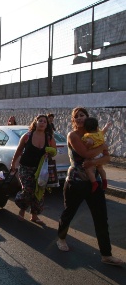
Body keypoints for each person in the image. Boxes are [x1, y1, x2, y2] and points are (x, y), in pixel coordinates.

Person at [57, 107, 123, 266]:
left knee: (101, 218)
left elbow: (106, 158)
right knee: (69, 212)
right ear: (74, 120)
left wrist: (94, 162)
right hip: (76, 182)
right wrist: (102, 145)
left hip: (95, 183)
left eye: (82, 115)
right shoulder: (72, 135)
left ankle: (106, 254)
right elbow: (86, 153)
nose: (79, 118)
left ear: (87, 118)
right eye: (76, 116)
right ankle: (61, 238)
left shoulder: (95, 134)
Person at [10, 114, 56, 224]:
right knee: (28, 190)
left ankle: (34, 216)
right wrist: (13, 163)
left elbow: (54, 151)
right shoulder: (27, 136)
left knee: (38, 193)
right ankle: (22, 210)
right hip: (25, 167)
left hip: (40, 170)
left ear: (47, 124)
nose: (42, 123)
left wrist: (48, 153)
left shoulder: (49, 138)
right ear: (35, 123)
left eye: (44, 121)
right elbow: (19, 150)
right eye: (40, 121)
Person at [82, 118, 111, 192]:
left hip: (93, 154)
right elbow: (104, 130)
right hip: (100, 154)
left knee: (89, 170)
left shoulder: (87, 136)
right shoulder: (100, 134)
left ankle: (94, 183)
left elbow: (89, 142)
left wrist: (88, 145)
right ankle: (104, 180)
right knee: (100, 168)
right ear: (97, 127)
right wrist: (107, 126)